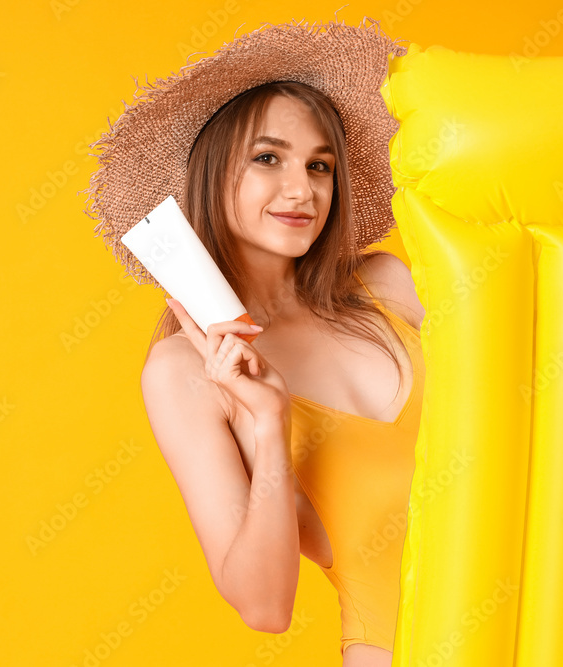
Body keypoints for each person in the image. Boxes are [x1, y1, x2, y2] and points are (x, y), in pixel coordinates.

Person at [82, 17, 424, 666]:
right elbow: (264, 607)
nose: (303, 190)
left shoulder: (389, 286)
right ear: (212, 175)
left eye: (320, 165)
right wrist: (270, 423)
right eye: (268, 158)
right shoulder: (183, 371)